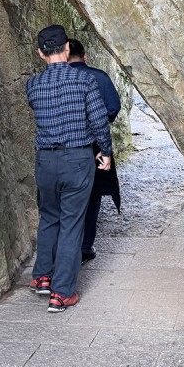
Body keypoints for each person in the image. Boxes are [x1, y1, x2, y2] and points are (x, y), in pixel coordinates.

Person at [25, 25, 112, 313]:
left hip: (45, 161)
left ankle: (42, 277)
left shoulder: (33, 85)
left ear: (40, 53)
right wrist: (106, 153)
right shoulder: (85, 82)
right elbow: (99, 121)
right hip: (77, 160)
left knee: (49, 217)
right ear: (66, 49)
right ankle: (62, 293)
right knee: (73, 222)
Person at [67, 39, 122, 263]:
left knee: (68, 198)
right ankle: (85, 246)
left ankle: (66, 248)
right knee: (92, 195)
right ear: (86, 56)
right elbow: (113, 106)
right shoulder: (99, 77)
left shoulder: (58, 79)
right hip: (95, 147)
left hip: (64, 148)